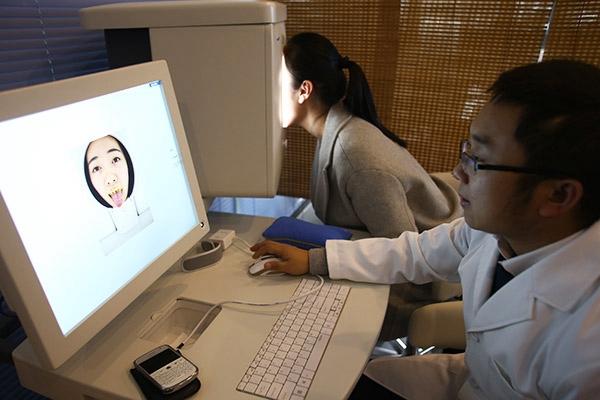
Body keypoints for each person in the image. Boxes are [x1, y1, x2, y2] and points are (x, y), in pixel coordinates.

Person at [252, 59, 600, 399]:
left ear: (558, 194)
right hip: (466, 378)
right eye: (467, 150)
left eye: (478, 160)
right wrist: (315, 260)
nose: (459, 172)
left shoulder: (587, 347)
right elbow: (415, 251)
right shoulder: (498, 233)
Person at [282, 32, 462, 238]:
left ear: (305, 90)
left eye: (274, 82)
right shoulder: (337, 129)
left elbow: (400, 252)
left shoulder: (354, 155)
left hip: (443, 253)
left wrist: (314, 260)